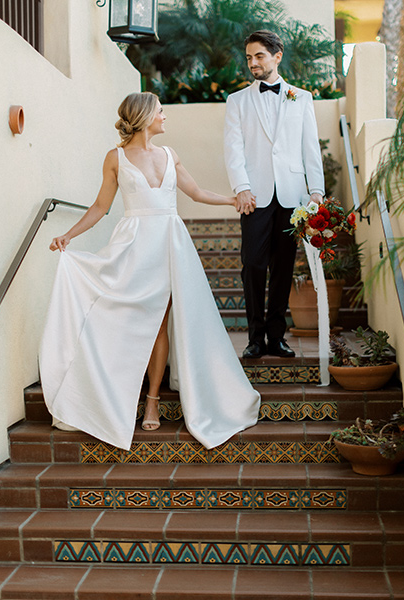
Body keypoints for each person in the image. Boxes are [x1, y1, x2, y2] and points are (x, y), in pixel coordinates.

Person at [39, 92, 260, 451]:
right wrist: (68, 234)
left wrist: (233, 199)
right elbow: (100, 206)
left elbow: (197, 192)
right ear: (144, 117)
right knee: (123, 319)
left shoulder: (170, 154)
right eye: (160, 111)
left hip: (170, 244)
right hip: (133, 247)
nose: (165, 117)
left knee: (161, 321)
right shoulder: (115, 158)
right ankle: (108, 394)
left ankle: (153, 399)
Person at [224, 29, 324, 360]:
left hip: (292, 197)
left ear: (277, 56)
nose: (252, 62)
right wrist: (242, 187)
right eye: (249, 57)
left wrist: (317, 190)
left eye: (259, 56)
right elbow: (233, 148)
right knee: (252, 264)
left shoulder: (302, 98)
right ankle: (255, 338)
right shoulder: (236, 101)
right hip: (254, 196)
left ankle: (276, 336)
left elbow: (310, 147)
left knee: (283, 267)